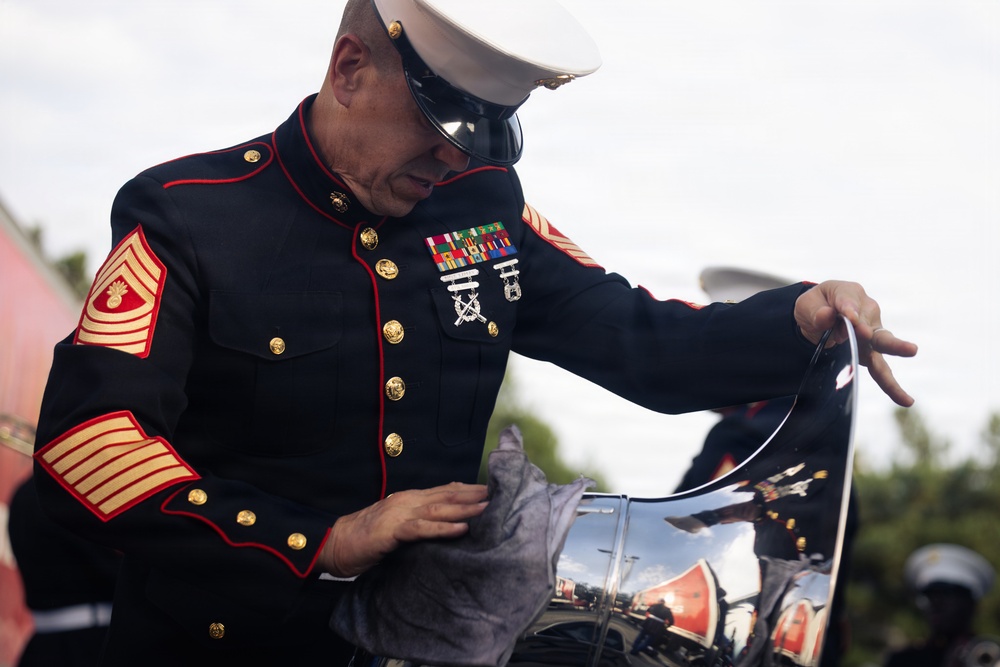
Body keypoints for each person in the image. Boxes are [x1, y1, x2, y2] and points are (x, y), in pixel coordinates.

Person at [29, 0, 917, 664]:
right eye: (441, 121)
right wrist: (321, 538)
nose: (458, 157)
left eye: (489, 131)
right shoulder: (188, 216)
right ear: (349, 68)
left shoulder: (483, 211)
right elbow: (88, 446)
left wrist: (797, 317)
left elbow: (637, 337)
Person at [7, 476, 121, 667]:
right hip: (88, 644)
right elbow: (105, 569)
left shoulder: (25, 492)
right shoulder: (69, 493)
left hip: (43, 645)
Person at [884, 544, 996, 667]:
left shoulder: (992, 658)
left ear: (970, 604)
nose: (935, 604)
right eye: (929, 596)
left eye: (947, 595)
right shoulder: (903, 661)